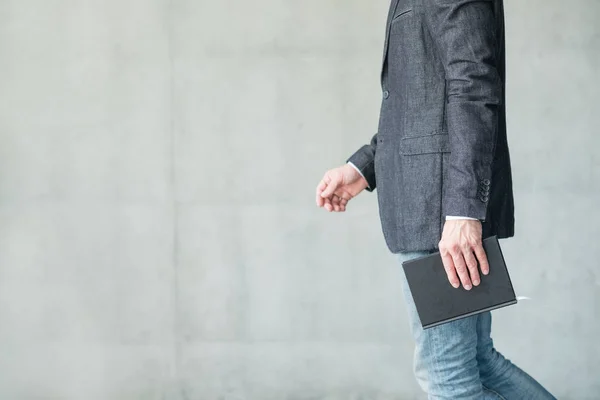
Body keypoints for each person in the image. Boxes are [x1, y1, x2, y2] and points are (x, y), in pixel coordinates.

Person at [315, 0, 556, 398]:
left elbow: (473, 84)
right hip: (436, 207)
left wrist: (463, 211)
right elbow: (419, 106)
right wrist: (362, 168)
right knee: (478, 364)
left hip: (441, 215)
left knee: (449, 379)